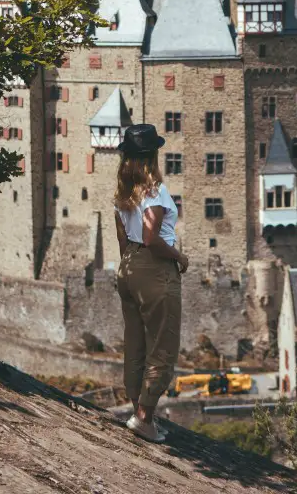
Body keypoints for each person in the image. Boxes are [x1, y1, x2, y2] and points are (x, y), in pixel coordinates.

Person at [114, 123, 189, 443]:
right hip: (155, 268)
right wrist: (180, 258)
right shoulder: (155, 192)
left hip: (129, 266)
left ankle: (139, 412)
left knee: (136, 344)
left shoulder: (123, 192)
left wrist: (129, 269)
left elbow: (123, 238)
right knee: (162, 346)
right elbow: (151, 237)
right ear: (152, 156)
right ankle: (144, 418)